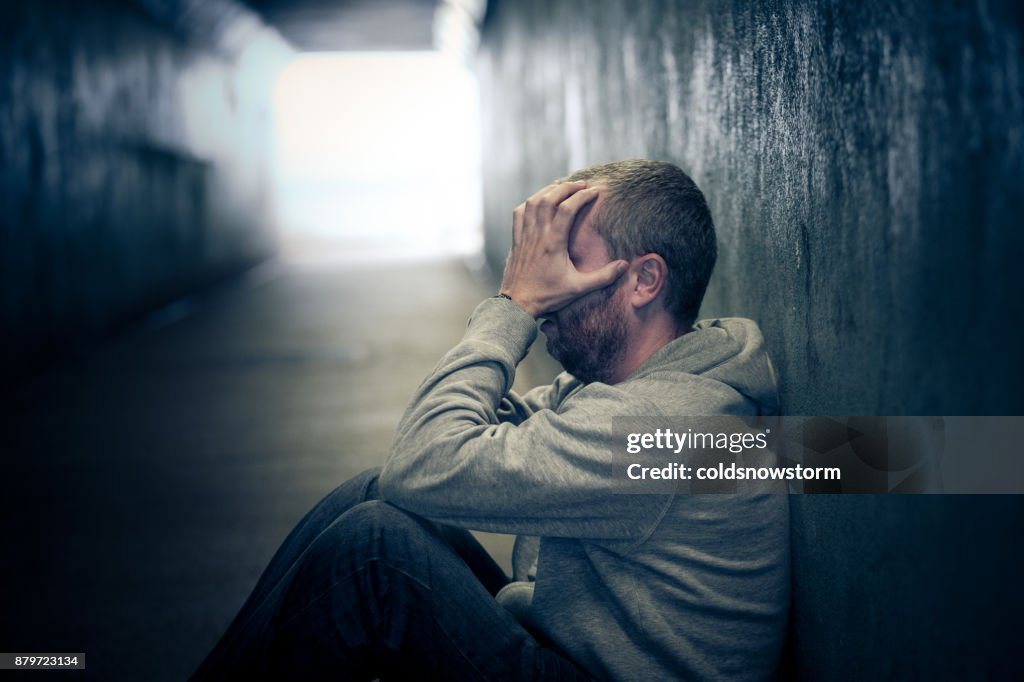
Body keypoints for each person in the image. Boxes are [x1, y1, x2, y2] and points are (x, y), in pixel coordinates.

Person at [191, 159, 790, 681]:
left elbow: (426, 462)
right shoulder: (647, 389)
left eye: (565, 263)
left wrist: (514, 308)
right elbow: (452, 435)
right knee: (373, 495)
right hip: (573, 647)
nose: (546, 285)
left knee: (374, 549)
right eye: (540, 267)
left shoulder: (653, 429)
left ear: (644, 280)